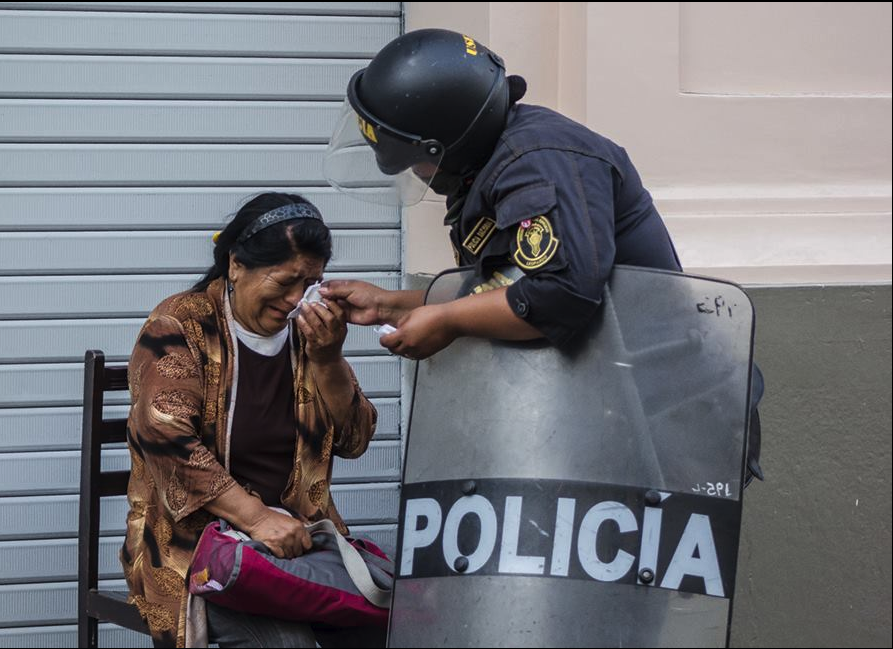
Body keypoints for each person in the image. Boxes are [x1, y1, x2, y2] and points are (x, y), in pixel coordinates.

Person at [322, 28, 763, 482]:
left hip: (668, 413)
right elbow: (505, 285)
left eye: (414, 160)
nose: (416, 173)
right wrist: (388, 305)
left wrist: (447, 322)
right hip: (605, 403)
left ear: (447, 144)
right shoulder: (493, 162)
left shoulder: (539, 163)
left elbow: (560, 292)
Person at [120, 192, 382, 647]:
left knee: (395, 626)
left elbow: (355, 439)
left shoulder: (308, 336)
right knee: (285, 642)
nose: (297, 299)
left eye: (311, 283)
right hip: (196, 551)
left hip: (295, 546)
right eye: (285, 281)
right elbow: (164, 432)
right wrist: (258, 520)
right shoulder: (180, 326)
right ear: (236, 264)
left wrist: (328, 359)